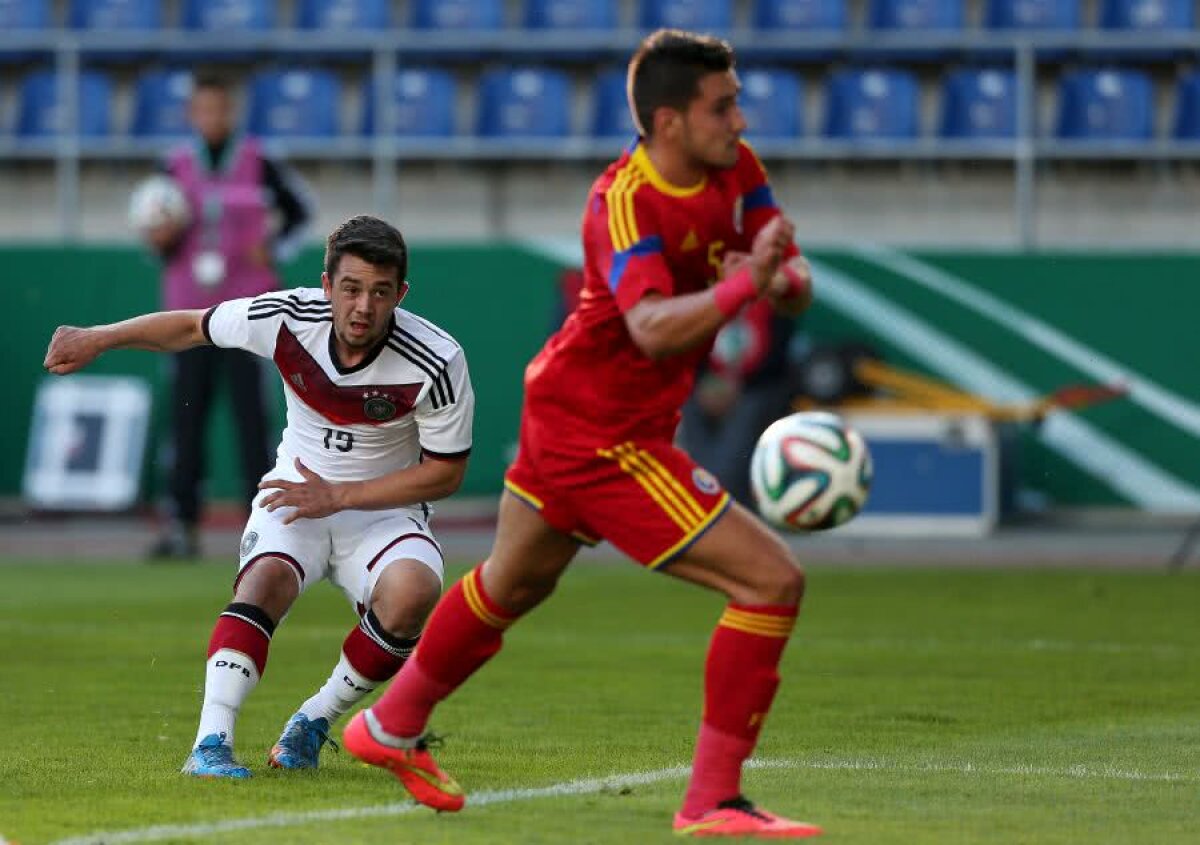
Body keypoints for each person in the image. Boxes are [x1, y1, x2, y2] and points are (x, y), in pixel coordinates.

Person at [340, 30, 820, 839]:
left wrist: (779, 275)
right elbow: (656, 328)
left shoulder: (740, 169)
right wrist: (748, 280)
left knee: (509, 586)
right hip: (603, 434)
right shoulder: (621, 200)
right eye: (723, 104)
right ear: (668, 121)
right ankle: (712, 801)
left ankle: (387, 725)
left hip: (571, 413)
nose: (740, 118)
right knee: (771, 581)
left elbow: (790, 284)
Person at [44, 215, 474, 778]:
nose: (363, 306)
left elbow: (445, 474)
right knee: (264, 580)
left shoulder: (436, 361)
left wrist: (341, 495)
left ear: (402, 293)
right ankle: (210, 743)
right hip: (295, 495)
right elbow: (192, 326)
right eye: (350, 288)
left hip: (381, 511)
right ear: (326, 284)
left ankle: (313, 722)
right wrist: (101, 337)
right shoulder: (287, 318)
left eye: (380, 292)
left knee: (415, 593)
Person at [143, 71, 315, 559]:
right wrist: (158, 239)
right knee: (186, 419)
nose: (212, 119)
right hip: (188, 312)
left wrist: (276, 245)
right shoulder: (173, 165)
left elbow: (302, 210)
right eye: (203, 110)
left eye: (220, 109)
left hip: (249, 310)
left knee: (252, 420)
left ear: (231, 112)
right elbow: (154, 224)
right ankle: (181, 525)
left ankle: (260, 527)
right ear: (192, 114)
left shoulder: (260, 160)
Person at [680, 297, 800, 507]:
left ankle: (718, 497)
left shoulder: (776, 300)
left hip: (754, 389)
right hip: (707, 386)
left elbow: (777, 361)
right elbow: (686, 345)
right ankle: (702, 493)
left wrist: (737, 386)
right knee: (685, 398)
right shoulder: (702, 293)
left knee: (751, 410)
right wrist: (705, 383)